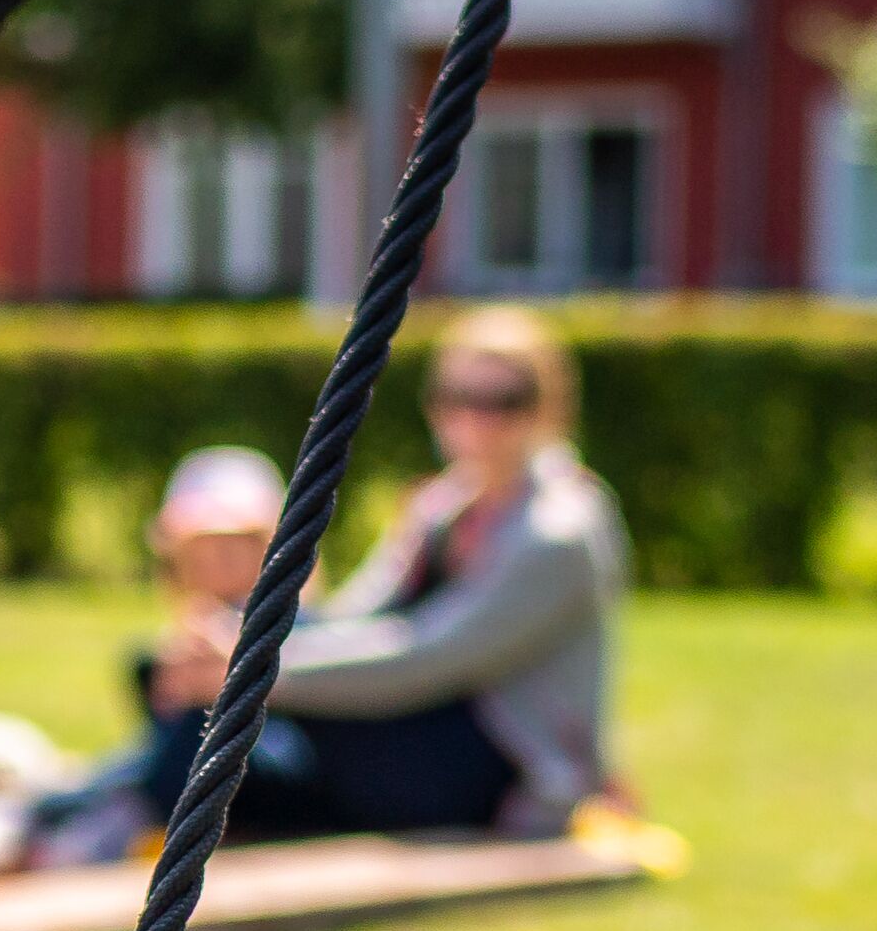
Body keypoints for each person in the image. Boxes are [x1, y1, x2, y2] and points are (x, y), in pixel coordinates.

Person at [130, 305, 625, 841]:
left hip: (500, 775)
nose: (476, 421)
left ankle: (92, 803)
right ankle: (111, 798)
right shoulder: (443, 506)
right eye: (457, 399)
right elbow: (357, 616)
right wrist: (233, 643)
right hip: (417, 734)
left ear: (547, 409)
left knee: (207, 719)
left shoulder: (558, 532)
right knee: (162, 670)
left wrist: (256, 672)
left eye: (504, 402)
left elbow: (428, 657)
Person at [22, 446, 299, 867]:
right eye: (199, 549)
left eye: (232, 547)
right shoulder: (174, 645)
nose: (214, 563)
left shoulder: (298, 633)